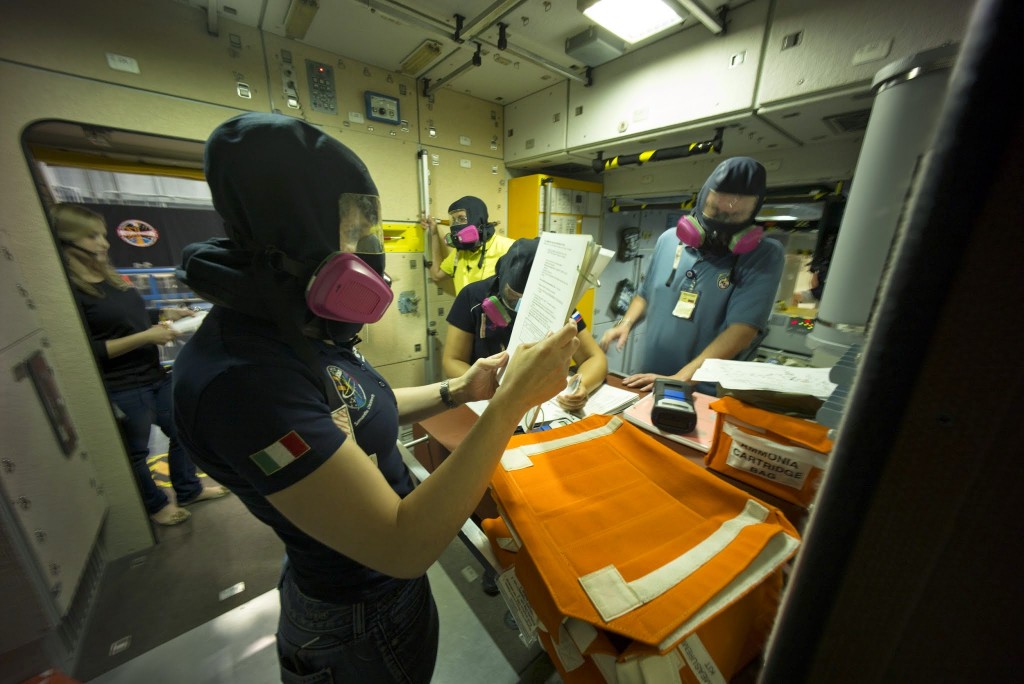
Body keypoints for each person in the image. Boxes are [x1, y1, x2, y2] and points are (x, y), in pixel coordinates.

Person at [172, 112, 578, 684]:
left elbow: (360, 403)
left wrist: (456, 389)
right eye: (351, 233)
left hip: (381, 597)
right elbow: (402, 543)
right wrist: (510, 404)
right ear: (294, 229)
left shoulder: (292, 321)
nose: (365, 254)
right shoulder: (243, 383)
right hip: (355, 620)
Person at [52, 204, 228, 526]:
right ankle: (156, 505)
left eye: (102, 235)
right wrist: (147, 337)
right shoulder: (70, 292)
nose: (103, 243)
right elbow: (88, 349)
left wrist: (163, 316)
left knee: (183, 429)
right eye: (91, 237)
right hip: (121, 385)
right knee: (135, 452)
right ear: (65, 243)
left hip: (153, 375)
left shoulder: (108, 279)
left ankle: (188, 488)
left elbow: (127, 321)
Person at [599, 157, 785, 395]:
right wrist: (624, 324)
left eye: (734, 216)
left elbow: (742, 332)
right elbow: (645, 295)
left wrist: (681, 378)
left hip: (702, 391)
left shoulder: (764, 254)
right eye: (715, 209)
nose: (721, 222)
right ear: (702, 199)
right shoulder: (668, 240)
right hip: (647, 377)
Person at [444, 237, 608, 413]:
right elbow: (452, 360)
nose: (522, 307)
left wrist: (579, 387)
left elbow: (594, 358)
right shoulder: (471, 297)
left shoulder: (559, 303)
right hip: (486, 402)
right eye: (514, 298)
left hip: (540, 404)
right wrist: (491, 387)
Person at [422, 195, 514, 296]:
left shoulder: (509, 248)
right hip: (464, 311)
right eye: (454, 220)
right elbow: (436, 275)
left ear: (478, 218)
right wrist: (434, 234)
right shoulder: (458, 254)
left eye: (461, 219)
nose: (457, 225)